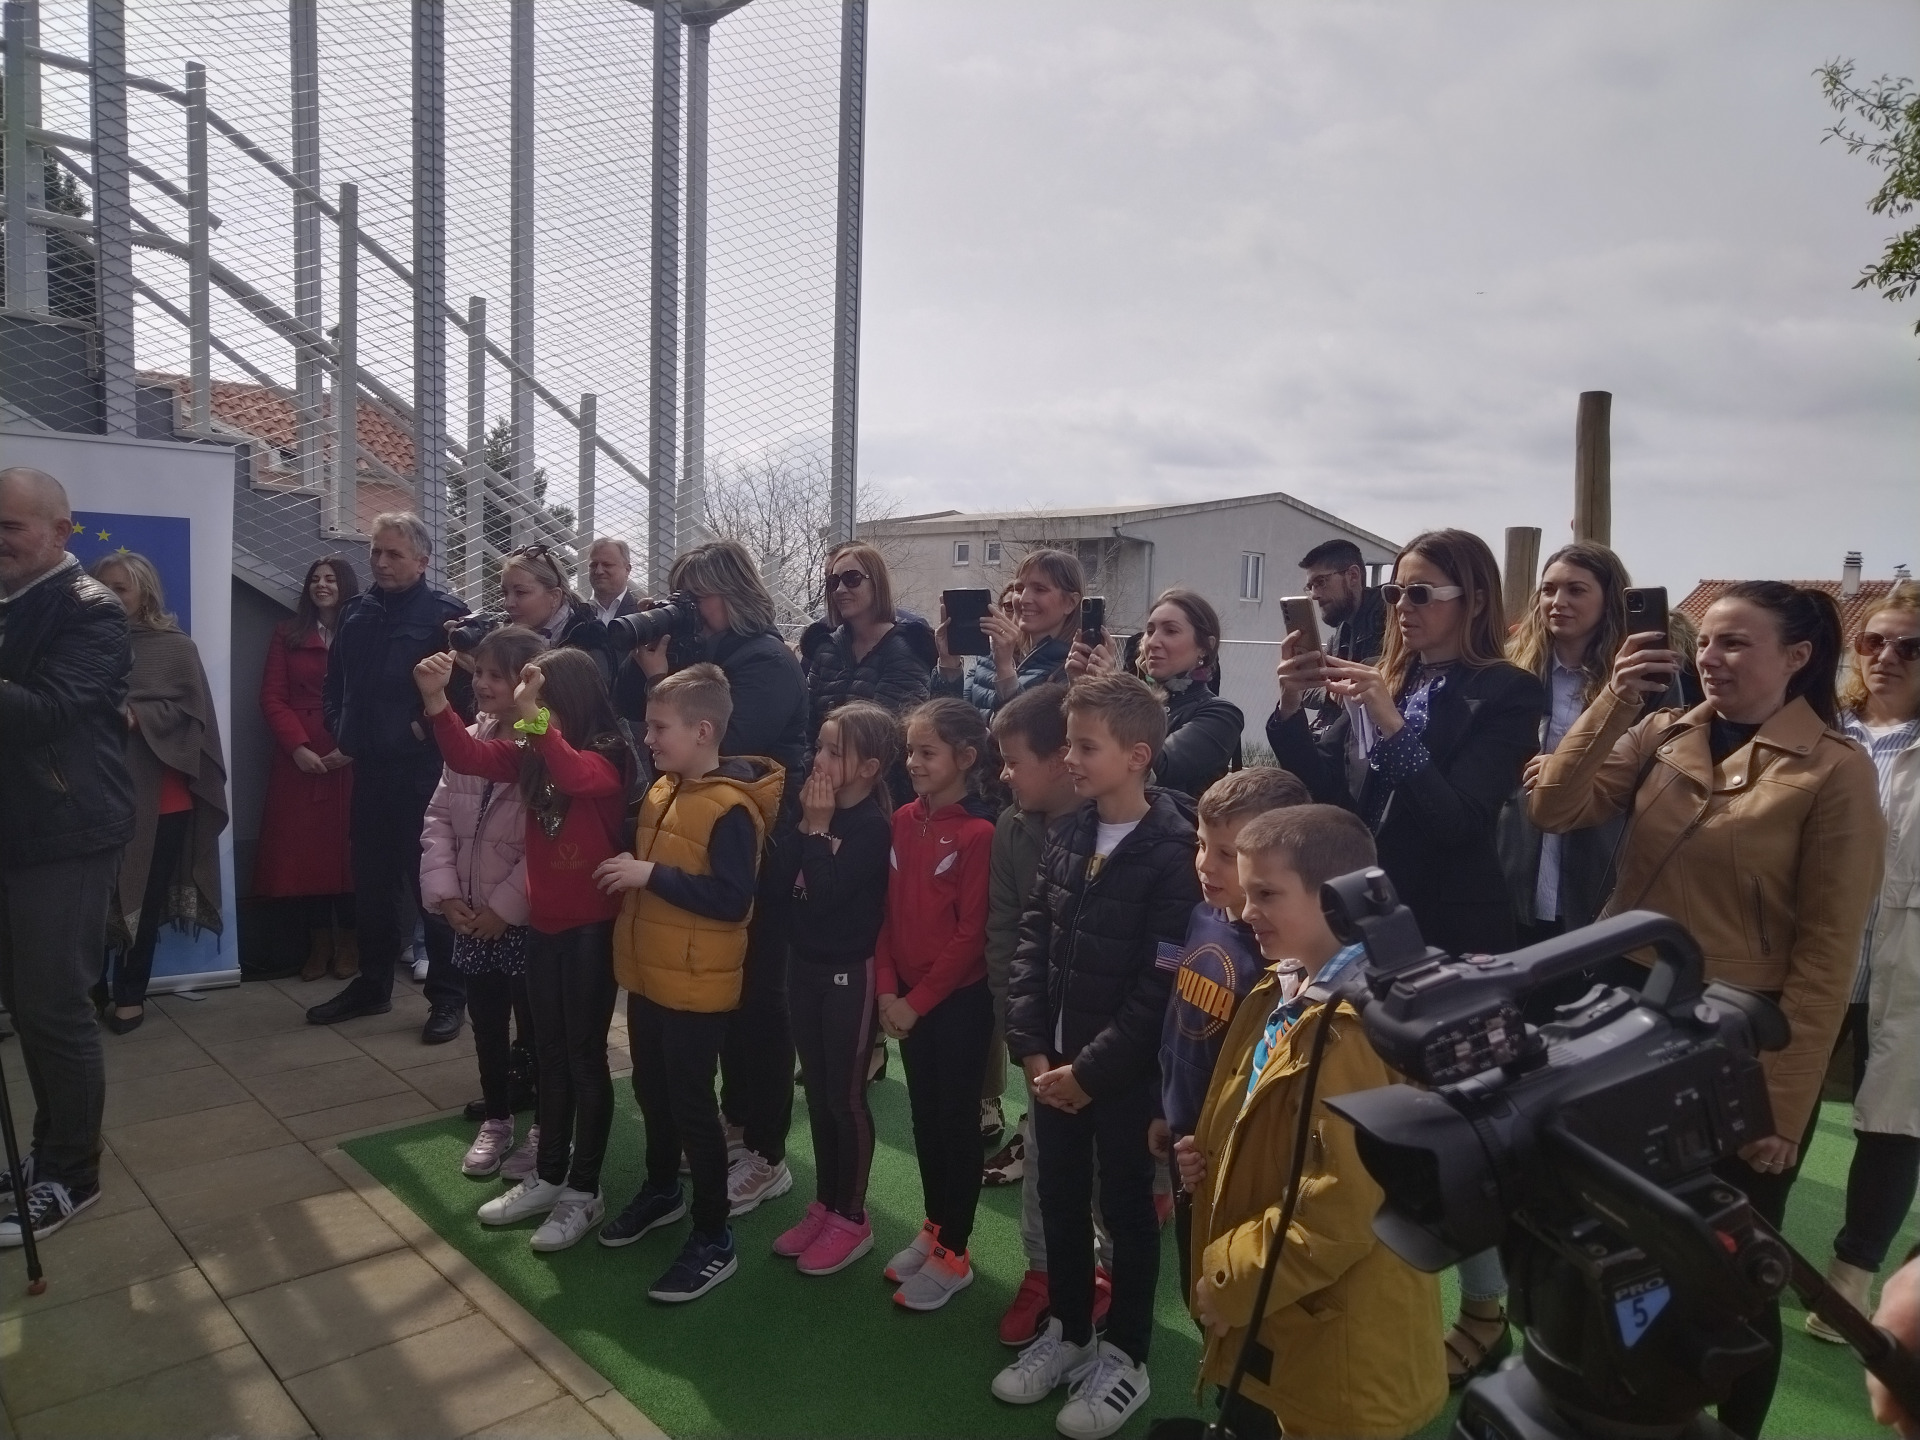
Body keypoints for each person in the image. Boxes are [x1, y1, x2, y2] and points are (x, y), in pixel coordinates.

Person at [1529, 581, 1884, 1438]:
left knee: (1733, 1262)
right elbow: (1554, 806)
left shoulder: (1835, 770)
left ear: (1797, 657)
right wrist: (1618, 699)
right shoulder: (1661, 730)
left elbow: (1828, 953)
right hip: (1626, 1009)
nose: (1712, 659)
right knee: (1613, 1236)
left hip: (1738, 1030)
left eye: (1736, 643)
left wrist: (1784, 1107)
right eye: (1709, 642)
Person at [1177, 804, 1447, 1440]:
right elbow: (1266, 1110)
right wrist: (1213, 1148)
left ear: (1335, 897)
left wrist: (1229, 1281)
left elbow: (1341, 1209)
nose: (1247, 911)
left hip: (1335, 1334)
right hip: (1289, 1308)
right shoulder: (1285, 983)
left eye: (1267, 894)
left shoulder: (1352, 1030)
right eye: (1248, 892)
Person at [996, 673, 1202, 1440]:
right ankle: (1072, 1329)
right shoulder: (1070, 832)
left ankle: (1128, 1357)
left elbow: (1160, 986)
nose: (1070, 760)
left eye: (1086, 747)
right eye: (1068, 746)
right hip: (1054, 1072)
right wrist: (1031, 1049)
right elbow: (1033, 943)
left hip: (1119, 1081)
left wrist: (1091, 1073)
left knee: (1125, 1211)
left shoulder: (1172, 854)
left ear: (1137, 756)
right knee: (1058, 1199)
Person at [415, 646, 632, 1253]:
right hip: (545, 929)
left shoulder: (607, 751)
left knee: (585, 1060)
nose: (529, 710)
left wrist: (532, 715)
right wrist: (436, 701)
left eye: (543, 700)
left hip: (589, 932)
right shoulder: (536, 750)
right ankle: (551, 1175)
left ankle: (584, 1191)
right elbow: (468, 757)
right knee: (551, 1057)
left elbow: (577, 775)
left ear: (569, 701)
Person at [617, 540, 811, 1216]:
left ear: (728, 594)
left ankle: (766, 1151)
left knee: (760, 1004)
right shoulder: (715, 654)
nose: (688, 610)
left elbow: (716, 745)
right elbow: (641, 715)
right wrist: (650, 662)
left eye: (694, 597)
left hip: (759, 845)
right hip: (707, 837)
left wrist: (668, 675)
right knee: (726, 998)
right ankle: (737, 1119)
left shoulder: (765, 662)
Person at [593, 664, 784, 1301]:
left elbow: (733, 901)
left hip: (698, 987)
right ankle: (661, 1190)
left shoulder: (731, 808)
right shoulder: (663, 788)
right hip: (649, 974)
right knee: (651, 1089)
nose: (647, 738)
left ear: (703, 731)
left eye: (658, 727)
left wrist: (649, 875)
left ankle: (713, 1236)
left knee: (693, 1107)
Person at [1269, 528, 1543, 957]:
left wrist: (1392, 726)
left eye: (1420, 594)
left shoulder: (1509, 691)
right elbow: (1323, 785)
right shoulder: (1384, 675)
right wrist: (1289, 705)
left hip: (1447, 923)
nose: (1402, 607)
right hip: (1364, 906)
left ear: (1476, 601)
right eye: (1394, 593)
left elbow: (1458, 822)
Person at [0, 467, 133, 1248]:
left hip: (67, 832)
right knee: (27, 1006)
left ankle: (72, 1175)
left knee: (55, 1007)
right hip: (17, 829)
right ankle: (45, 1154)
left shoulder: (91, 610)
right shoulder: (10, 602)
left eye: (10, 526)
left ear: (59, 531)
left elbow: (46, 713)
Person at [985, 684, 1117, 1346]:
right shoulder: (1013, 827)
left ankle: (1113, 1278)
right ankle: (1045, 1273)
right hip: (1044, 1039)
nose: (1004, 776)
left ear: (1062, 759)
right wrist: (1026, 1039)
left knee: (1113, 1171)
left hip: (1113, 1049)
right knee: (1044, 1161)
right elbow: (1008, 937)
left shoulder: (1126, 828)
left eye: (1014, 762)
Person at [308, 512, 472, 1042]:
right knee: (372, 886)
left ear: (422, 561)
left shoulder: (446, 616)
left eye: (394, 554)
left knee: (432, 887)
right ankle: (372, 986)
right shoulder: (356, 612)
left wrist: (423, 729)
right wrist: (339, 726)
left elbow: (468, 693)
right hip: (370, 770)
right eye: (376, 551)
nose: (380, 562)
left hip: (423, 775)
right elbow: (334, 683)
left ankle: (448, 998)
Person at [1152, 766, 1310, 1308]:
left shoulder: (1281, 957)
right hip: (1185, 1143)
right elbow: (1180, 1026)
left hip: (1235, 1163)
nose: (1204, 864)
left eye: (1227, 854)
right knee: (1195, 1286)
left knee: (1236, 1298)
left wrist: (1216, 1146)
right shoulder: (1203, 914)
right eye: (1201, 845)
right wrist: (1164, 1108)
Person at [1809, 583, 1920, 1339]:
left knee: (1892, 1124)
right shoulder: (1826, 732)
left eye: (1910, 646)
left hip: (1906, 961)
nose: (1886, 657)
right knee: (1783, 1106)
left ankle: (1849, 1282)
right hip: (1820, 951)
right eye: (1874, 641)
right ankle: (1747, 1256)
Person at [876, 698, 1000, 1311]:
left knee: (955, 1123)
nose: (914, 762)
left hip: (957, 1006)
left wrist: (918, 1001)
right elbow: (886, 913)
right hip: (907, 1001)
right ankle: (933, 1226)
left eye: (928, 752)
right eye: (910, 751)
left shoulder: (980, 834)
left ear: (966, 758)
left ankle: (956, 1251)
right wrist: (887, 990)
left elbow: (971, 934)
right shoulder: (903, 818)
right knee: (924, 1118)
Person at [767, 703, 898, 1278]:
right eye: (818, 746)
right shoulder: (811, 809)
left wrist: (818, 830)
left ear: (869, 768)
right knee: (817, 1095)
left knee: (845, 1098)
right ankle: (824, 1204)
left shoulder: (870, 827)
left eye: (833, 751)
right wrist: (806, 826)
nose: (817, 760)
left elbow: (824, 898)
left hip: (849, 973)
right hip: (803, 967)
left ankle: (852, 1216)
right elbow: (777, 889)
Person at [419, 626, 542, 1181]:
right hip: (470, 916)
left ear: (528, 682)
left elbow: (546, 842)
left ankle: (544, 1127)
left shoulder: (543, 744)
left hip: (521, 919)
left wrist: (506, 910)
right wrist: (447, 896)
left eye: (497, 675)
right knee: (486, 1022)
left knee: (536, 1027)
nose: (483, 684)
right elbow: (439, 820)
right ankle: (496, 1118)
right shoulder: (468, 736)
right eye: (481, 672)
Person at [90, 553, 229, 1035]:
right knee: (91, 899)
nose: (110, 595)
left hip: (162, 798)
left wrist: (139, 716)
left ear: (144, 593)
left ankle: (131, 994)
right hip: (94, 794)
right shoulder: (79, 642)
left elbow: (193, 716)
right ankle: (90, 990)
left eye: (121, 588)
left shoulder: (175, 648)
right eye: (102, 586)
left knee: (144, 900)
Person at [1500, 543, 1655, 952]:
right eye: (1549, 590)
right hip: (1514, 866)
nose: (1558, 602)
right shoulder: (1511, 672)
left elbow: (1655, 771)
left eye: (1576, 590)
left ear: (1609, 599)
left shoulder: (1644, 679)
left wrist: (1568, 768)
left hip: (1598, 866)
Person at [255, 555, 359, 981]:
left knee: (352, 853)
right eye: (315, 579)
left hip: (351, 755)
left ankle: (350, 943)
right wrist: (297, 747)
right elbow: (272, 697)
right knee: (306, 856)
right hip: (301, 761)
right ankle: (318, 945)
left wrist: (354, 746)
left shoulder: (364, 631)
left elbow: (375, 695)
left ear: (345, 585)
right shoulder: (287, 633)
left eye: (331, 578)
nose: (322, 585)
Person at [1067, 586, 1244, 800]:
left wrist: (1110, 692)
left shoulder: (1221, 714)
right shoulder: (1134, 698)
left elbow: (1156, 766)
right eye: (1150, 631)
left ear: (1205, 647)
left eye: (1170, 631)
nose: (1152, 642)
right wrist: (1081, 687)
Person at [800, 540, 936, 733]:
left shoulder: (905, 651)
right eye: (833, 582)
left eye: (852, 578)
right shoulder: (826, 648)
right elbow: (805, 725)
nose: (840, 590)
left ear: (877, 583)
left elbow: (891, 735)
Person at [934, 548, 1084, 718]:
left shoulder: (1074, 669)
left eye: (1040, 589)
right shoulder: (991, 654)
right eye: (1019, 588)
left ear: (1070, 602)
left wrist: (1005, 671)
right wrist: (949, 664)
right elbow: (950, 723)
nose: (1023, 599)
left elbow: (1023, 731)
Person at [1295, 538, 1388, 800]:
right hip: (1341, 748)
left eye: (1321, 582)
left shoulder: (1392, 624)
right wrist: (1331, 690)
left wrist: (1333, 683)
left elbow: (1383, 679)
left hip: (1368, 758)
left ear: (1353, 576)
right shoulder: (1340, 633)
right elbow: (1306, 688)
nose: (1314, 594)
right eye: (1310, 586)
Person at [493, 544, 617, 685]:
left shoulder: (589, 641)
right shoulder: (501, 641)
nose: (508, 603)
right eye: (505, 593)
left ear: (555, 596)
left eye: (520, 592)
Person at [585, 537, 642, 626]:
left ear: (627, 570)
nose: (599, 571)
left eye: (607, 565)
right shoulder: (576, 615)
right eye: (593, 565)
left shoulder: (642, 613)